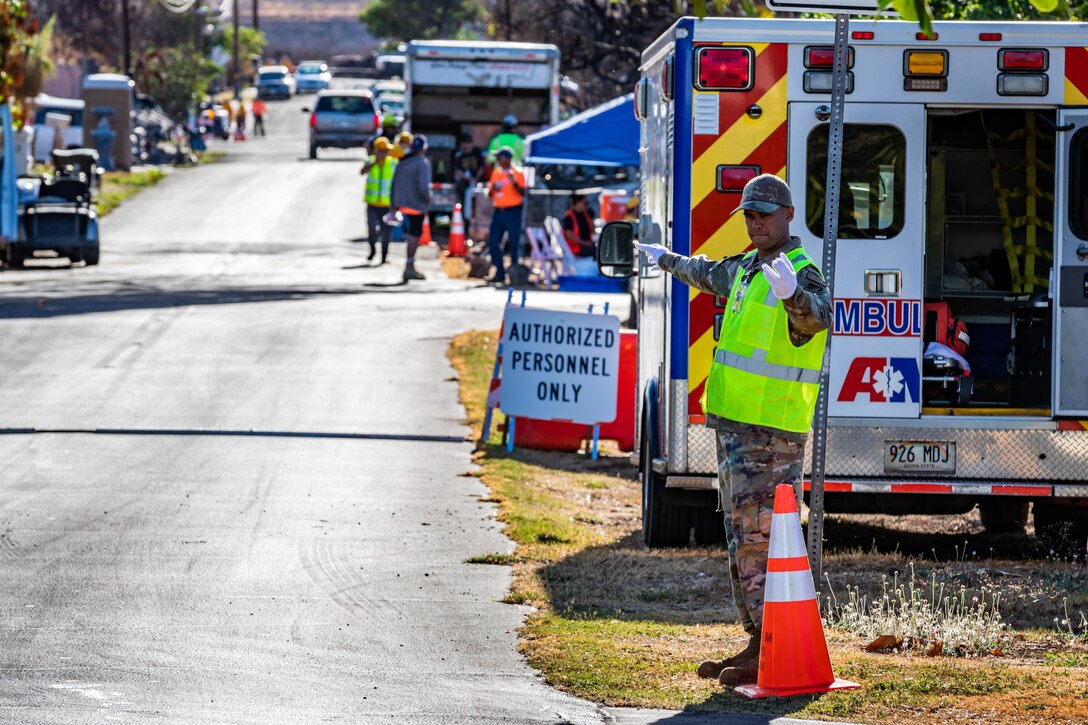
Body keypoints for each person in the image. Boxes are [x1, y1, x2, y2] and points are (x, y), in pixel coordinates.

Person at [633, 174, 832, 688]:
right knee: (741, 539)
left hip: (771, 436)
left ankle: (772, 644)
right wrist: (666, 260)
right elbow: (706, 273)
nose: (756, 222)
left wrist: (794, 297)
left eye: (765, 213)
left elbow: (816, 320)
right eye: (749, 214)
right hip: (738, 433)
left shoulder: (800, 273)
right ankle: (756, 641)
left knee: (761, 541)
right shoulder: (746, 268)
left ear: (789, 215)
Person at [390, 134, 431, 282]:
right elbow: (423, 186)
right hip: (417, 205)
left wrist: (393, 204)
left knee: (409, 236)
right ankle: (409, 266)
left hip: (402, 204)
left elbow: (394, 183)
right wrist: (428, 199)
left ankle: (409, 265)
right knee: (414, 236)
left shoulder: (402, 162)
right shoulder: (422, 163)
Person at [486, 146, 526, 285]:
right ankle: (500, 272)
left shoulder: (518, 172)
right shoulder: (496, 172)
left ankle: (514, 276)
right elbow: (489, 193)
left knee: (514, 244)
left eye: (500, 157)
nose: (497, 160)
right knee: (493, 243)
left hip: (513, 211)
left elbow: (523, 193)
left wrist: (513, 182)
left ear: (508, 159)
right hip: (498, 211)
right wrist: (492, 189)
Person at [361, 136, 398, 265]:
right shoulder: (370, 161)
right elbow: (362, 171)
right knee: (372, 230)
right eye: (381, 150)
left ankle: (384, 256)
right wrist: (374, 162)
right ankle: (372, 251)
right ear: (376, 150)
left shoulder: (393, 163)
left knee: (386, 232)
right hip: (372, 203)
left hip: (387, 205)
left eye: (386, 150)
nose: (384, 153)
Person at [452, 133, 483, 218]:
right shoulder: (459, 155)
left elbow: (481, 167)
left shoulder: (476, 152)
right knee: (464, 199)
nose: (466, 145)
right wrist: (468, 179)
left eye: (468, 143)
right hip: (465, 182)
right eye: (464, 143)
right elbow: (458, 171)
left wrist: (475, 178)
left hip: (477, 182)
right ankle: (465, 219)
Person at [561, 193, 597, 258]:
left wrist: (591, 218)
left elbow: (593, 231)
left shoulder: (586, 214)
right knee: (596, 253)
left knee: (600, 250)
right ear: (578, 203)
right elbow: (570, 235)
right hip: (575, 248)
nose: (586, 205)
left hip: (587, 245)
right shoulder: (569, 217)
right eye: (585, 203)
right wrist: (584, 243)